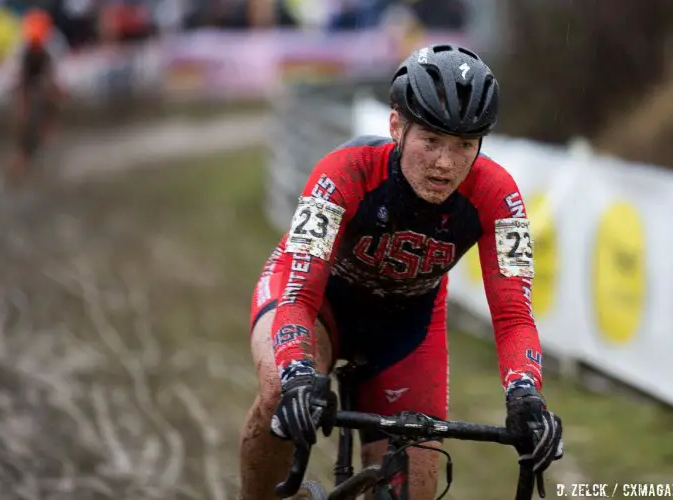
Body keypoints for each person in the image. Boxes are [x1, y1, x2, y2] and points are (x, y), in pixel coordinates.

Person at [239, 44, 564, 500]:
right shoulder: (344, 171)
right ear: (396, 126)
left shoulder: (499, 196)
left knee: (415, 490)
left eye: (464, 145)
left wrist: (526, 396)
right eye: (431, 141)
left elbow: (513, 316)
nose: (446, 163)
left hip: (406, 327)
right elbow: (298, 296)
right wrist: (297, 374)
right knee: (278, 393)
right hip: (317, 304)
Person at [7, 8, 62, 183]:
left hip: (43, 77)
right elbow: (20, 82)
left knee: (50, 99)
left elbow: (52, 78)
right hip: (24, 77)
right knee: (22, 116)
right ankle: (23, 153)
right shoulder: (20, 48)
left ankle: (44, 137)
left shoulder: (54, 45)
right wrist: (23, 109)